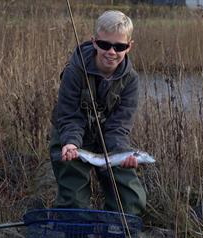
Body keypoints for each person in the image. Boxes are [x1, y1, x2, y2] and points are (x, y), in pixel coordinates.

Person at [49, 10, 146, 216]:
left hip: (109, 140)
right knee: (74, 203)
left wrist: (122, 153)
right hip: (72, 136)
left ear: (129, 47)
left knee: (131, 198)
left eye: (119, 46)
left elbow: (119, 127)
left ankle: (115, 227)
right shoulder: (74, 71)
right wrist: (71, 142)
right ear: (94, 42)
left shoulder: (131, 80)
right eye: (105, 45)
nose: (111, 51)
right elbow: (69, 116)